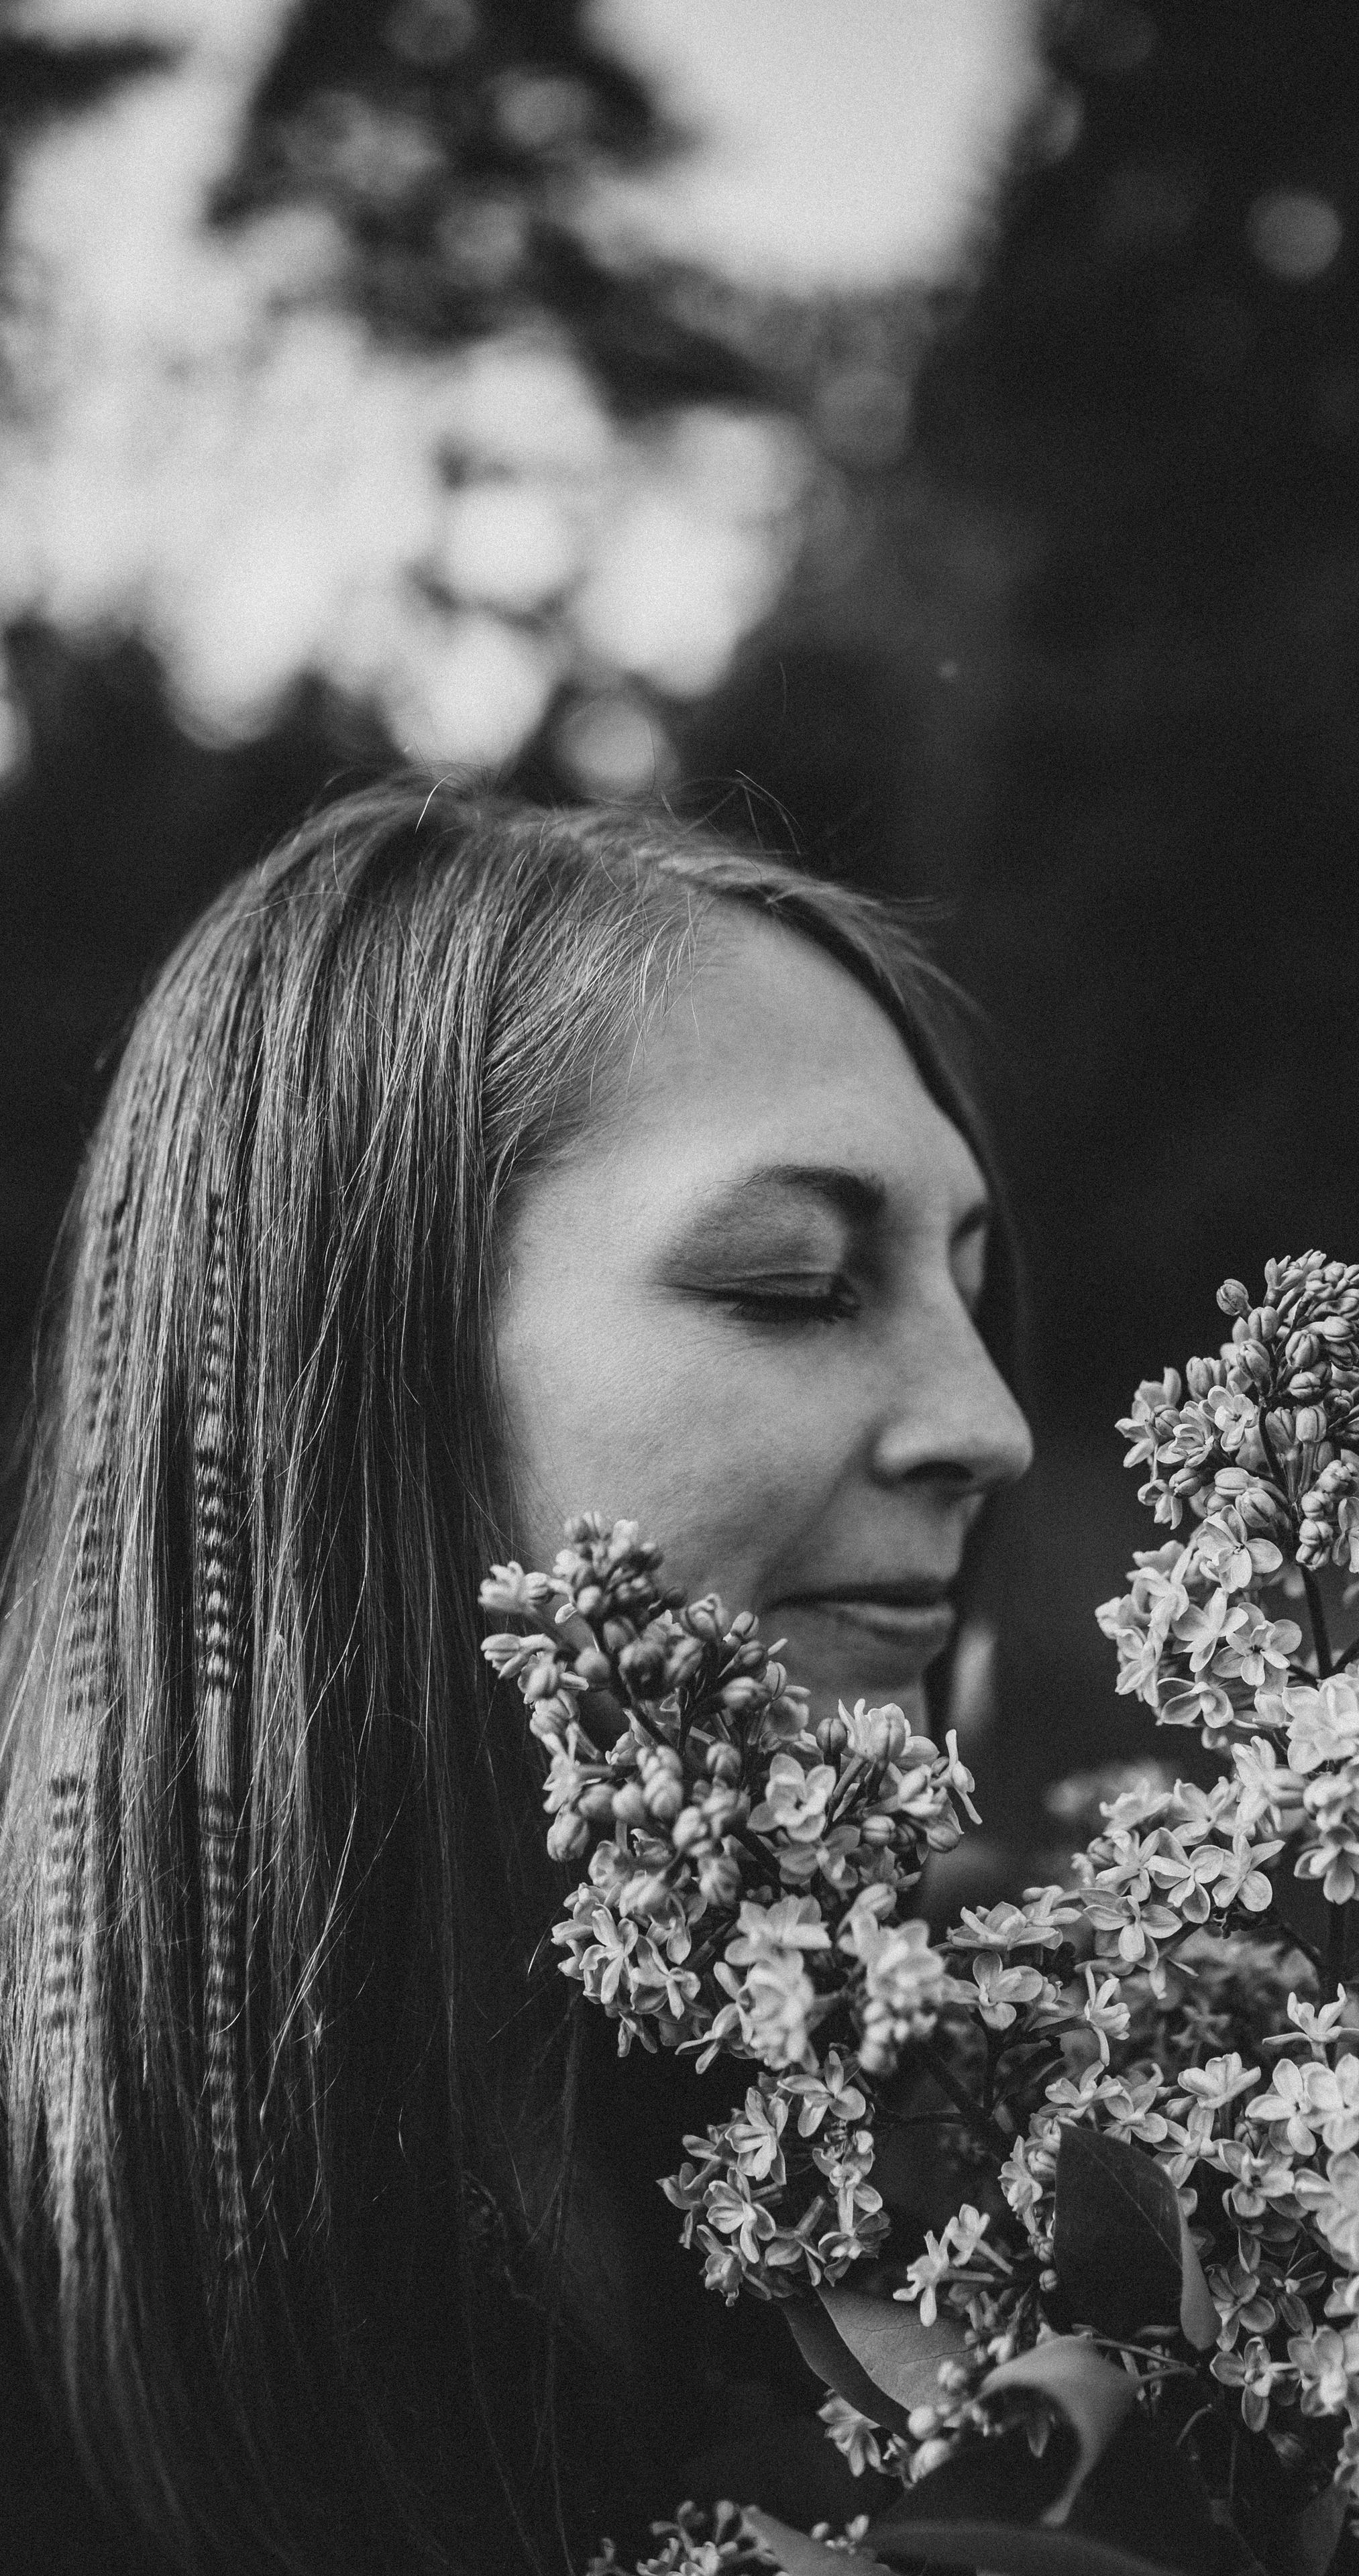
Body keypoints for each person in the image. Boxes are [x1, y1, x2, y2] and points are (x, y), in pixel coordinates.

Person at [0, 782, 1033, 2575]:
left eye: (969, 1285)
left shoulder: (984, 2132)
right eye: (796, 1280)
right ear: (362, 1359)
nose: (991, 1426)